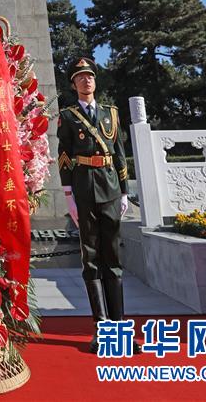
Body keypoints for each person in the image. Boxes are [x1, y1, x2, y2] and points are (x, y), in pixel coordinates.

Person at [57, 56, 141, 354]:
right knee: (91, 260)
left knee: (113, 260)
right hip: (83, 190)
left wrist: (123, 193)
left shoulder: (111, 114)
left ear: (95, 81)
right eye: (80, 76)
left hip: (109, 189)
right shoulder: (67, 117)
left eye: (89, 76)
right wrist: (69, 197)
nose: (86, 80)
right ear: (73, 84)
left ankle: (120, 326)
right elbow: (64, 156)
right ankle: (102, 327)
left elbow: (119, 154)